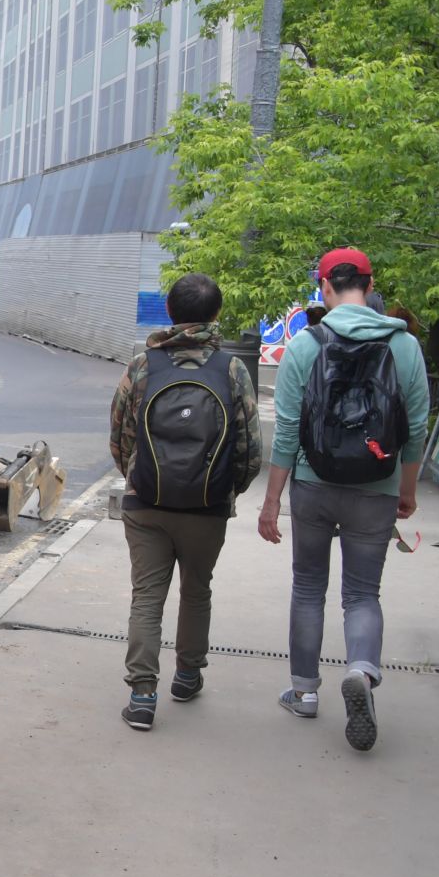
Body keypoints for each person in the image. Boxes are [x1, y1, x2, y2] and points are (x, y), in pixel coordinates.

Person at [261, 248, 431, 752]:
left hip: (314, 486)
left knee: (308, 587)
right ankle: (361, 669)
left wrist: (272, 502)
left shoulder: (306, 345)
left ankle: (305, 692)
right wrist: (406, 490)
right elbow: (416, 428)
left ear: (324, 288)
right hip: (375, 489)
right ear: (370, 282)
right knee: (362, 593)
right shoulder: (406, 347)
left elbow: (287, 431)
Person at [109, 273, 263, 730]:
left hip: (146, 504)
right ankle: (188, 675)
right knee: (197, 590)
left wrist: (141, 478)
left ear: (170, 313)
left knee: (147, 596)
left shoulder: (142, 365)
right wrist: (223, 490)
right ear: (215, 315)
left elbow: (119, 437)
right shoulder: (232, 369)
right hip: (206, 507)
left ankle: (141, 696)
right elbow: (250, 449)